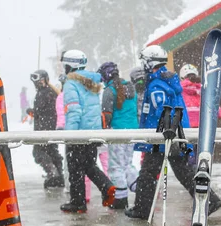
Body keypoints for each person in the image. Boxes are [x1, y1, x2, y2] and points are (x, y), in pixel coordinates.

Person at [125, 45, 221, 220]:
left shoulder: (156, 85)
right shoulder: (168, 81)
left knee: (148, 173)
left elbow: (163, 108)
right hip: (174, 134)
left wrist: (167, 129)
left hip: (162, 137)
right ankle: (210, 200)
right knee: (183, 171)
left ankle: (142, 209)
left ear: (150, 63)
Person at [59, 49, 116, 213]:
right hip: (93, 132)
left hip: (78, 133)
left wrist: (70, 136)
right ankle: (106, 186)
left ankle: (78, 202)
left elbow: (74, 110)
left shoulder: (71, 83)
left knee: (75, 168)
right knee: (89, 165)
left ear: (70, 66)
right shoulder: (90, 82)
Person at [98, 61, 139, 210]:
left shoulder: (109, 91)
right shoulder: (130, 87)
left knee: (115, 166)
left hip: (117, 132)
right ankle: (141, 191)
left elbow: (106, 115)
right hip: (133, 130)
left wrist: (104, 129)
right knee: (127, 164)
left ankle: (121, 200)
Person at [30, 70, 65, 188]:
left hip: (43, 128)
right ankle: (59, 176)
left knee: (38, 152)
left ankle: (52, 173)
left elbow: (39, 111)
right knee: (52, 151)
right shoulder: (52, 92)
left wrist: (30, 111)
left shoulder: (42, 94)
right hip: (53, 127)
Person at [179, 63, 221, 128]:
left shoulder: (178, 90)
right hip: (202, 126)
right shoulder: (202, 91)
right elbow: (212, 104)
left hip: (185, 125)